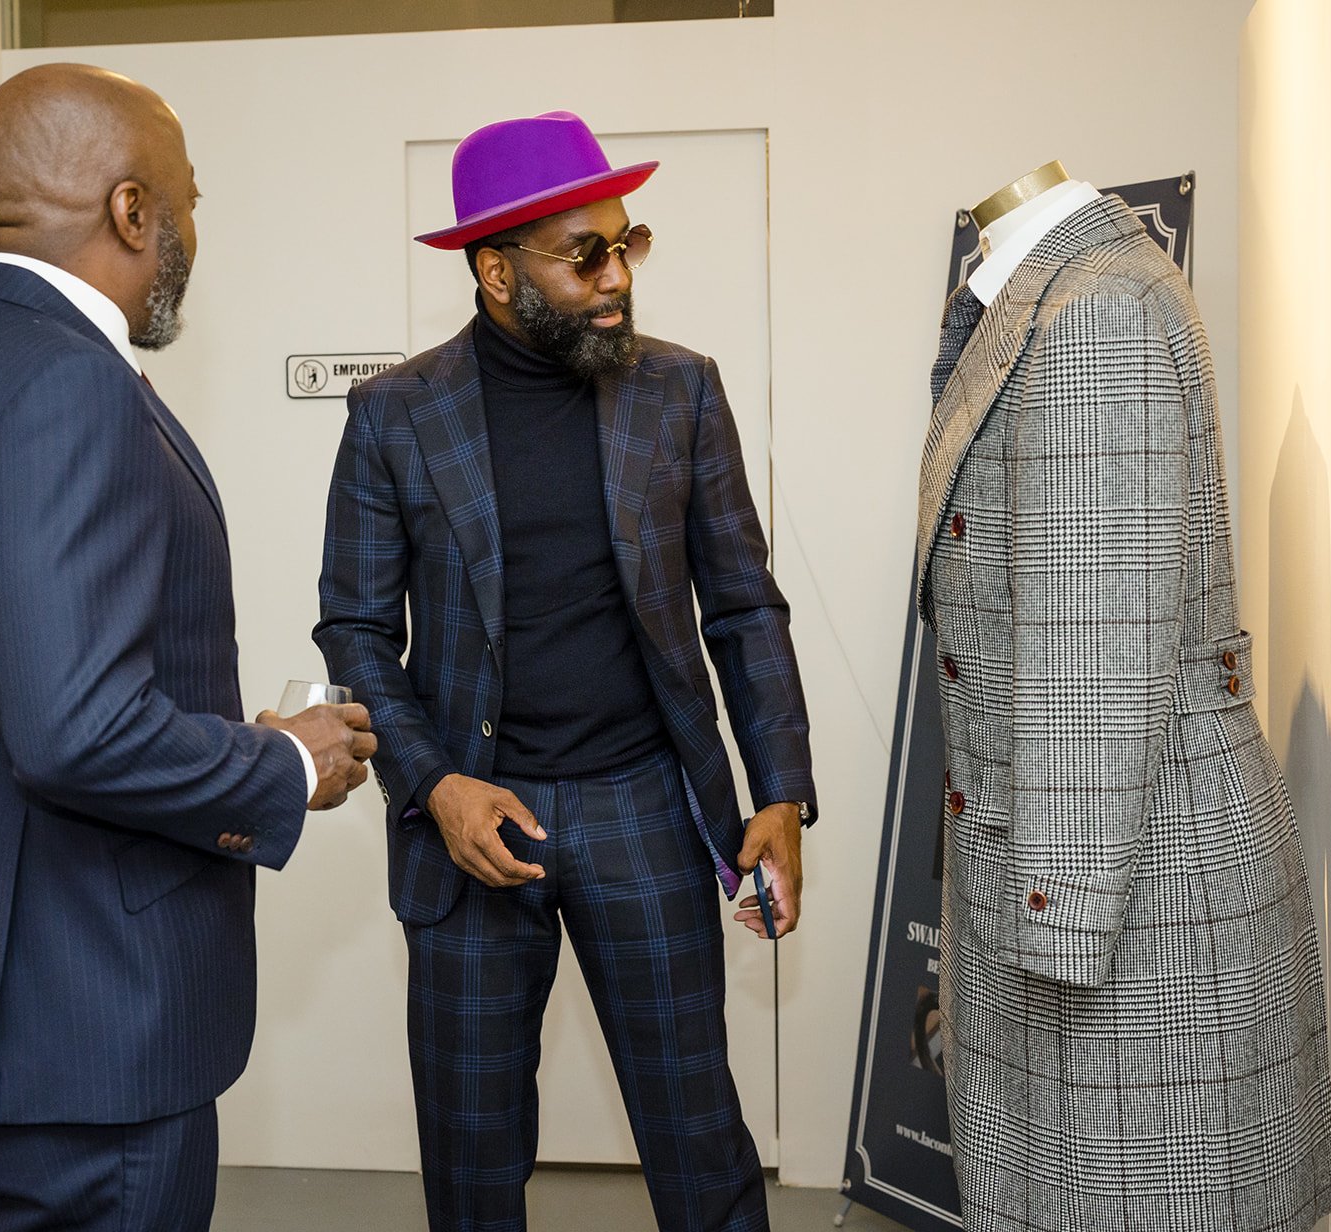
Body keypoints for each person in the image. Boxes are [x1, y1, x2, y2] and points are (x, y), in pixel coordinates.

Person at [0, 62, 375, 1230]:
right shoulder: (69, 387)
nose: (194, 228)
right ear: (133, 212)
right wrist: (282, 763)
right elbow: (74, 728)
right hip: (87, 1042)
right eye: (187, 199)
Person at [315, 110, 815, 1232]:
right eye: (583, 253)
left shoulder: (679, 392)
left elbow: (741, 603)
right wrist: (435, 785)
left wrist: (778, 789)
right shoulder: (395, 415)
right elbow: (352, 626)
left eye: (625, 245)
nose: (615, 277)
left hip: (642, 804)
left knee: (700, 1139)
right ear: (496, 270)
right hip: (471, 819)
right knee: (472, 1155)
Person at [918, 165, 1331, 1231]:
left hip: (1118, 893)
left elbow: (1089, 659)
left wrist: (1049, 934)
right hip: (1104, 856)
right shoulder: (1067, 292)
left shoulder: (1092, 313)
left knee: (1120, 1192)